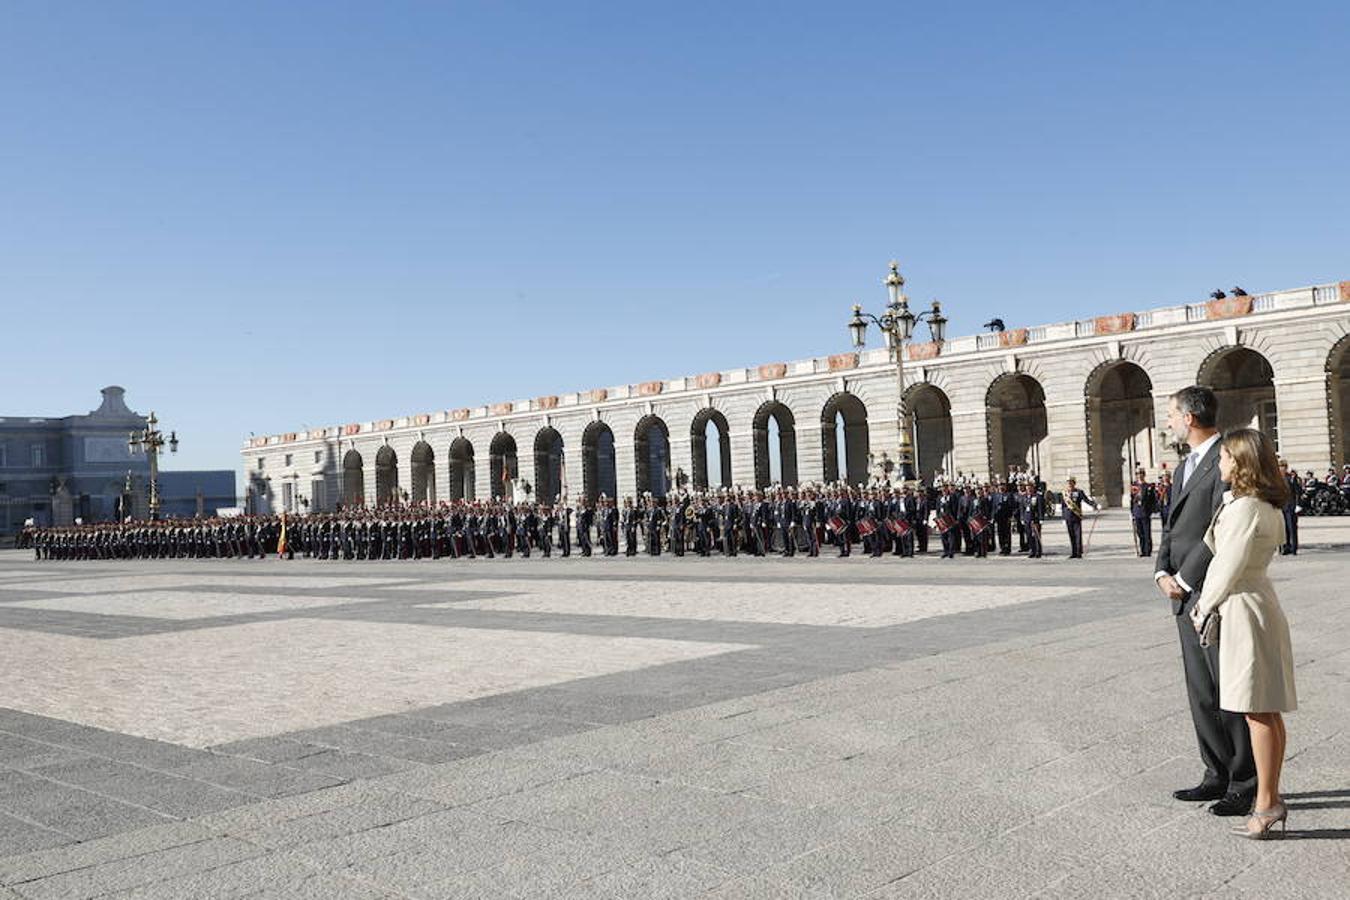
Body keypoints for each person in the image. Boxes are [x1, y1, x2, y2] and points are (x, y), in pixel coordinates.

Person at [1191, 429, 1297, 839]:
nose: (1218, 465)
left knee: (1256, 709)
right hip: (1258, 602)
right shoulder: (1259, 504)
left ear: (1238, 462)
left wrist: (1203, 607)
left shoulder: (1245, 508)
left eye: (1223, 458)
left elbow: (1226, 565)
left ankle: (1267, 803)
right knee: (1264, 709)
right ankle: (1270, 799)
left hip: (1242, 608)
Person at [1156, 386, 1256, 817]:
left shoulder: (1224, 460)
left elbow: (1220, 527)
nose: (1170, 422)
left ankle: (1243, 781)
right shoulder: (1184, 466)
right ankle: (1214, 772)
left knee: (1226, 687)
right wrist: (1161, 569)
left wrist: (1183, 576)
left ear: (1191, 418)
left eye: (1173, 415)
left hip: (1210, 589)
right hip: (1180, 591)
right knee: (1200, 689)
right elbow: (1173, 525)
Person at [1061, 477, 1099, 559]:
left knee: (1078, 535)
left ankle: (1078, 552)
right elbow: (1063, 506)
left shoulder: (1079, 492)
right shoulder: (1064, 493)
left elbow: (1086, 500)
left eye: (1071, 482)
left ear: (1074, 483)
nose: (1069, 484)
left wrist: (1094, 505)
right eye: (1068, 483)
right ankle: (1073, 552)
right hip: (1068, 516)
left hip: (1076, 515)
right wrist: (1063, 517)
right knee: (1071, 535)